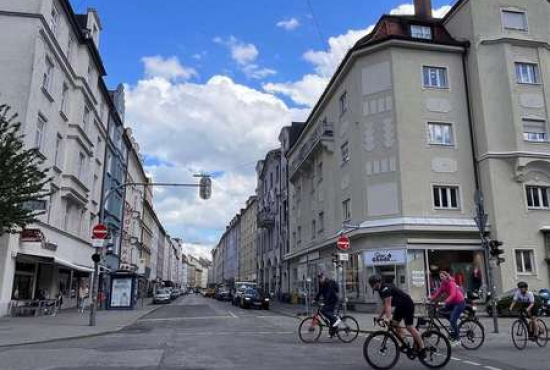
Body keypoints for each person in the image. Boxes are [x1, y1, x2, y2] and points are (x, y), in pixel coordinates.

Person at [368, 275, 426, 356]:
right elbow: (385, 306)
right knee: (394, 324)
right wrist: (379, 317)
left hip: (407, 304)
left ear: (376, 283)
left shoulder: (385, 289)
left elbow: (388, 305)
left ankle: (422, 348)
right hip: (400, 306)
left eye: (372, 285)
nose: (372, 287)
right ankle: (406, 343)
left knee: (409, 327)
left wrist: (388, 318)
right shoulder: (380, 290)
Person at [430, 271, 465, 345]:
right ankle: (453, 323)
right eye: (440, 277)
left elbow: (453, 294)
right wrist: (430, 299)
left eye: (442, 276)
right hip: (451, 303)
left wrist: (445, 301)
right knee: (440, 311)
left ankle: (458, 339)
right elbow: (438, 293)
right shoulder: (443, 284)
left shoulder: (451, 283)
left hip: (459, 303)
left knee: (452, 320)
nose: (441, 278)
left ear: (446, 276)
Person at [313, 272, 340, 338]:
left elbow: (329, 293)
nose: (320, 279)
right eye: (319, 278)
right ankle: (332, 333)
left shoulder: (329, 283)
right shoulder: (321, 284)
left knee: (323, 311)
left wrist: (324, 302)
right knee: (329, 316)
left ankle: (336, 320)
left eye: (321, 278)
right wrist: (315, 299)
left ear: (324, 277)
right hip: (328, 300)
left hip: (333, 300)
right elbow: (320, 292)